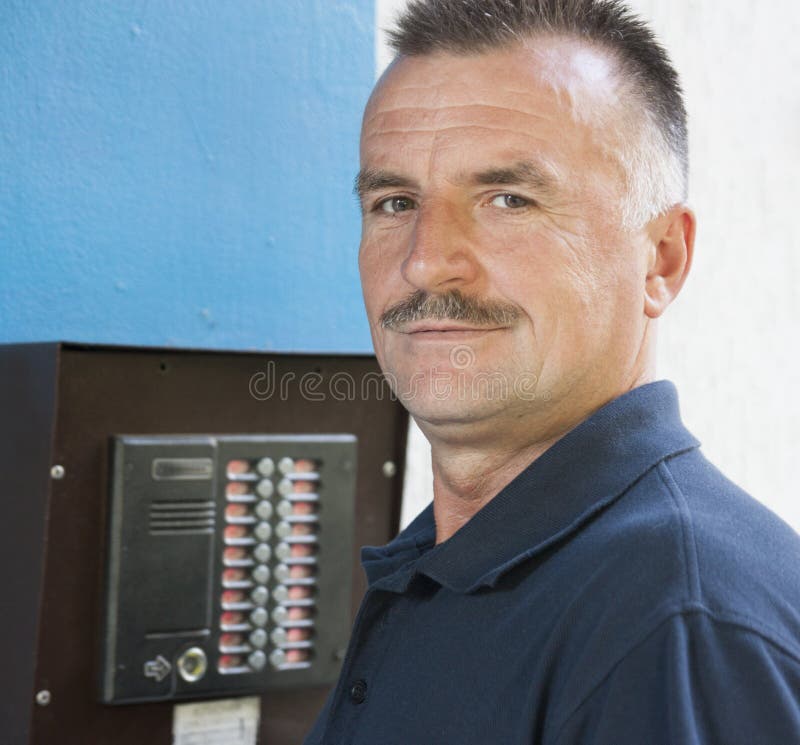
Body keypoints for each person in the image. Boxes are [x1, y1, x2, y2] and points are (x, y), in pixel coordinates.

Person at [304, 1, 800, 742]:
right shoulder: (453, 562)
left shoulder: (674, 627)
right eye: (395, 201)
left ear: (661, 258)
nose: (424, 260)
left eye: (508, 199)